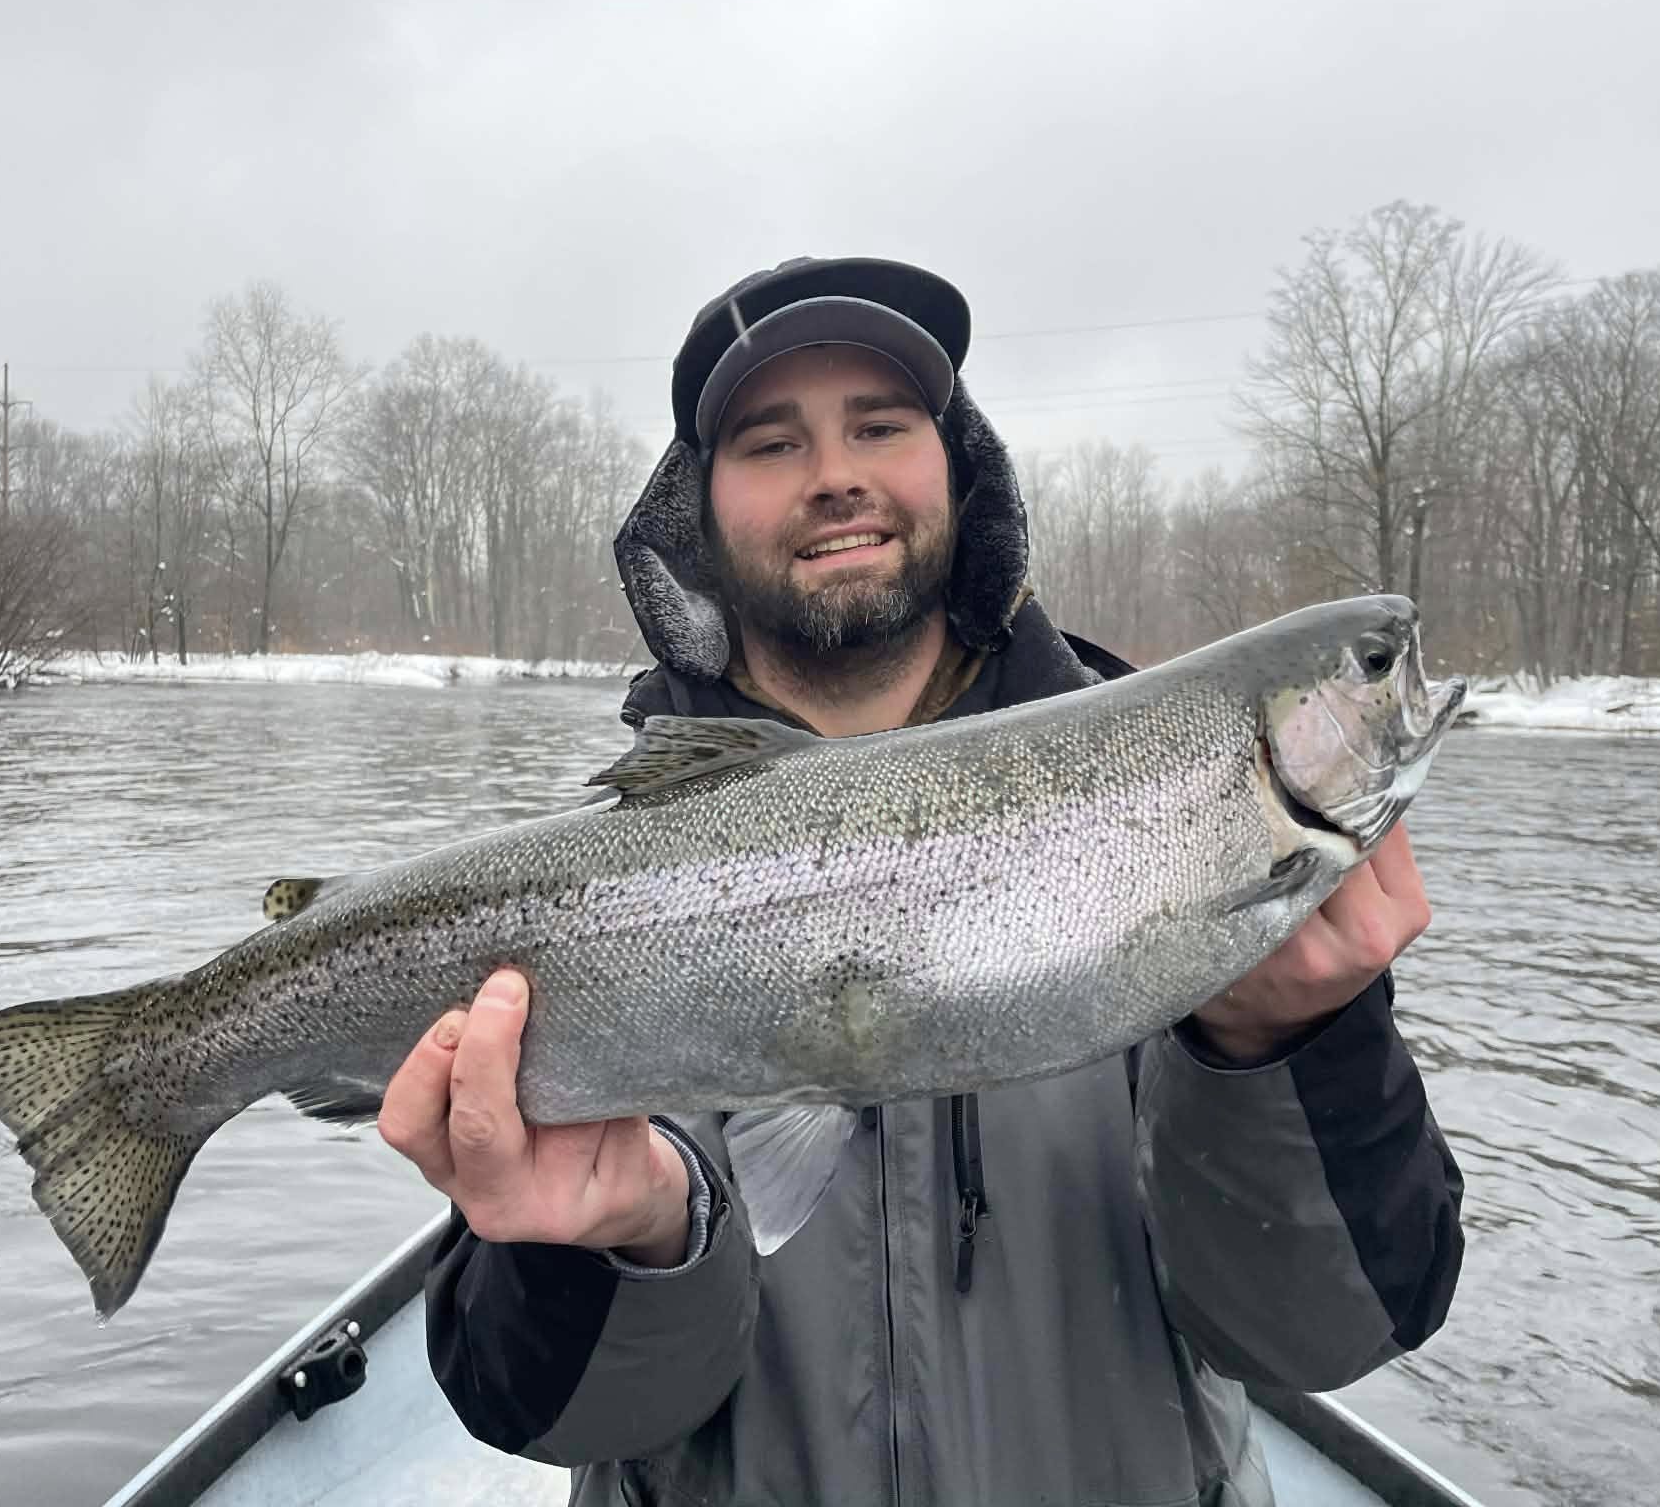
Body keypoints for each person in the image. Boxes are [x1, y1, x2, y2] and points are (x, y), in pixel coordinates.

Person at [378, 256, 1465, 1506]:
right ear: (697, 511)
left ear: (959, 468)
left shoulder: (1176, 817)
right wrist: (627, 1239)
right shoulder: (606, 880)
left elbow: (1328, 1339)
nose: (833, 473)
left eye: (880, 425)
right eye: (770, 441)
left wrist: (1292, 1047)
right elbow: (541, 1414)